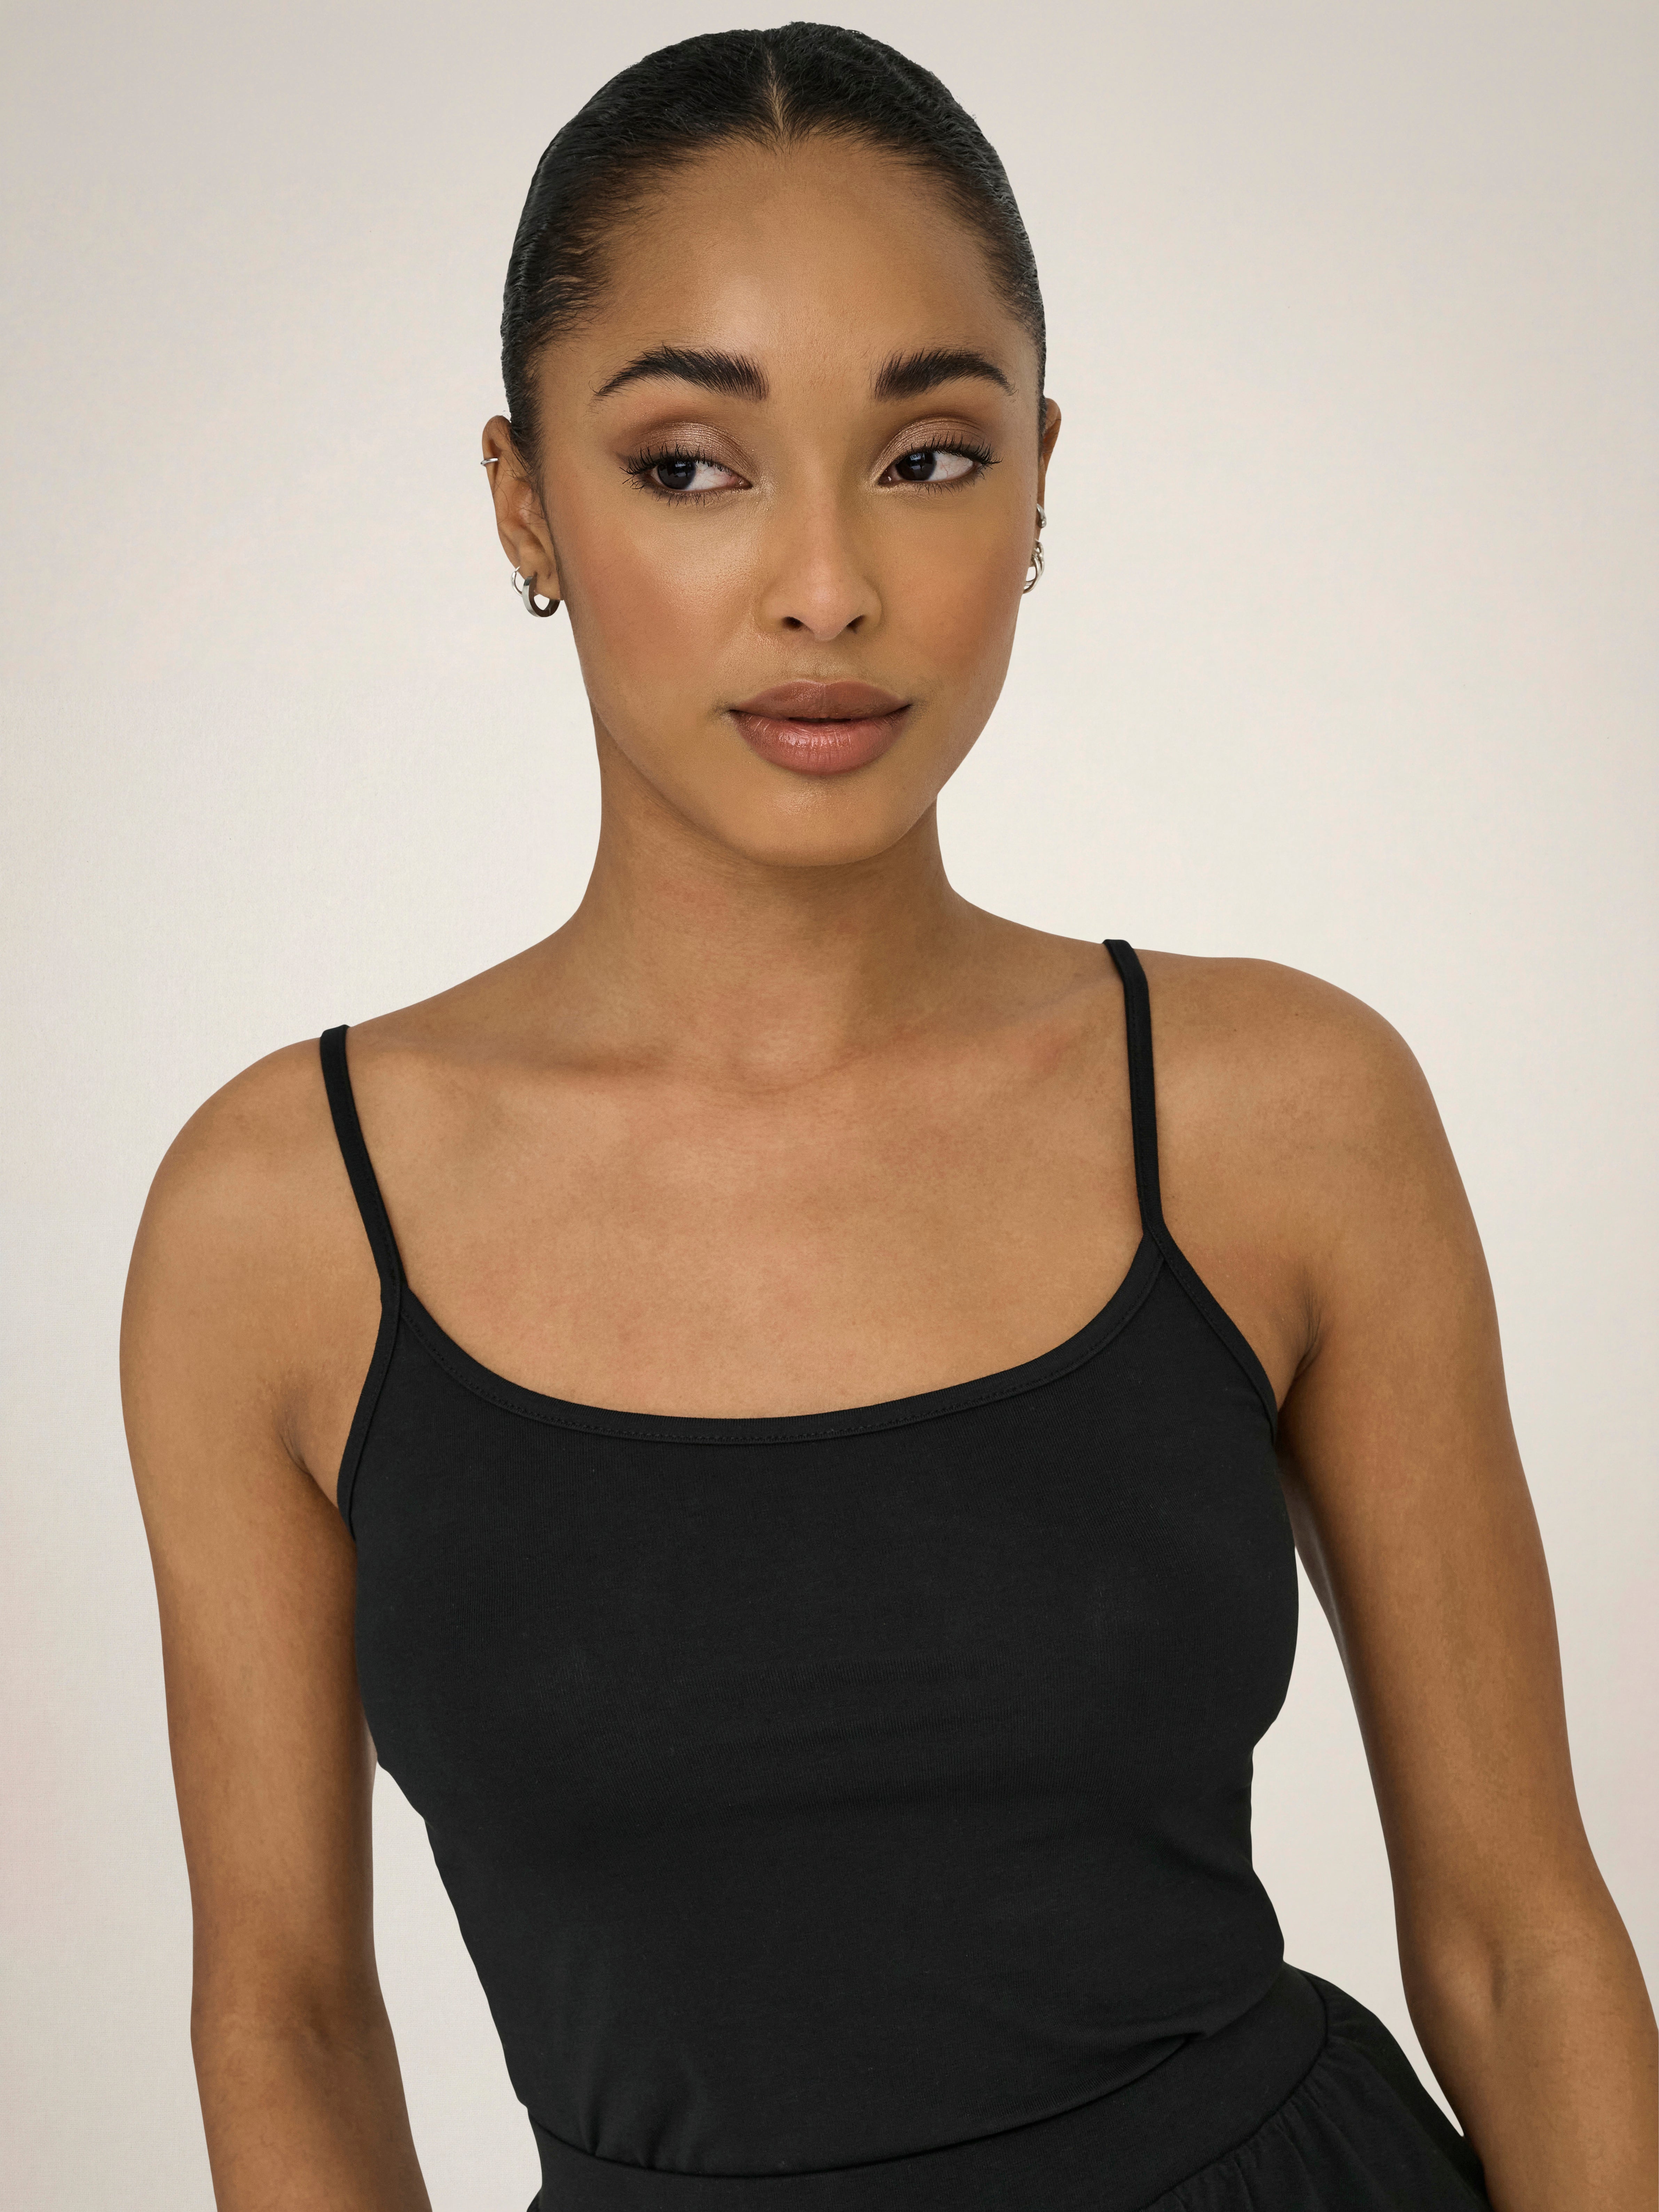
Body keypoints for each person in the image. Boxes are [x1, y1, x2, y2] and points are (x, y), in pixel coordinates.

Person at [122, 24, 1654, 2211]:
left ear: (1038, 483)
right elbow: (283, 2013)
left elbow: (1522, 1940)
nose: (826, 586)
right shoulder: (280, 1221)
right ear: (524, 500)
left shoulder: (1287, 1115)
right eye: (690, 465)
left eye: (930, 455)